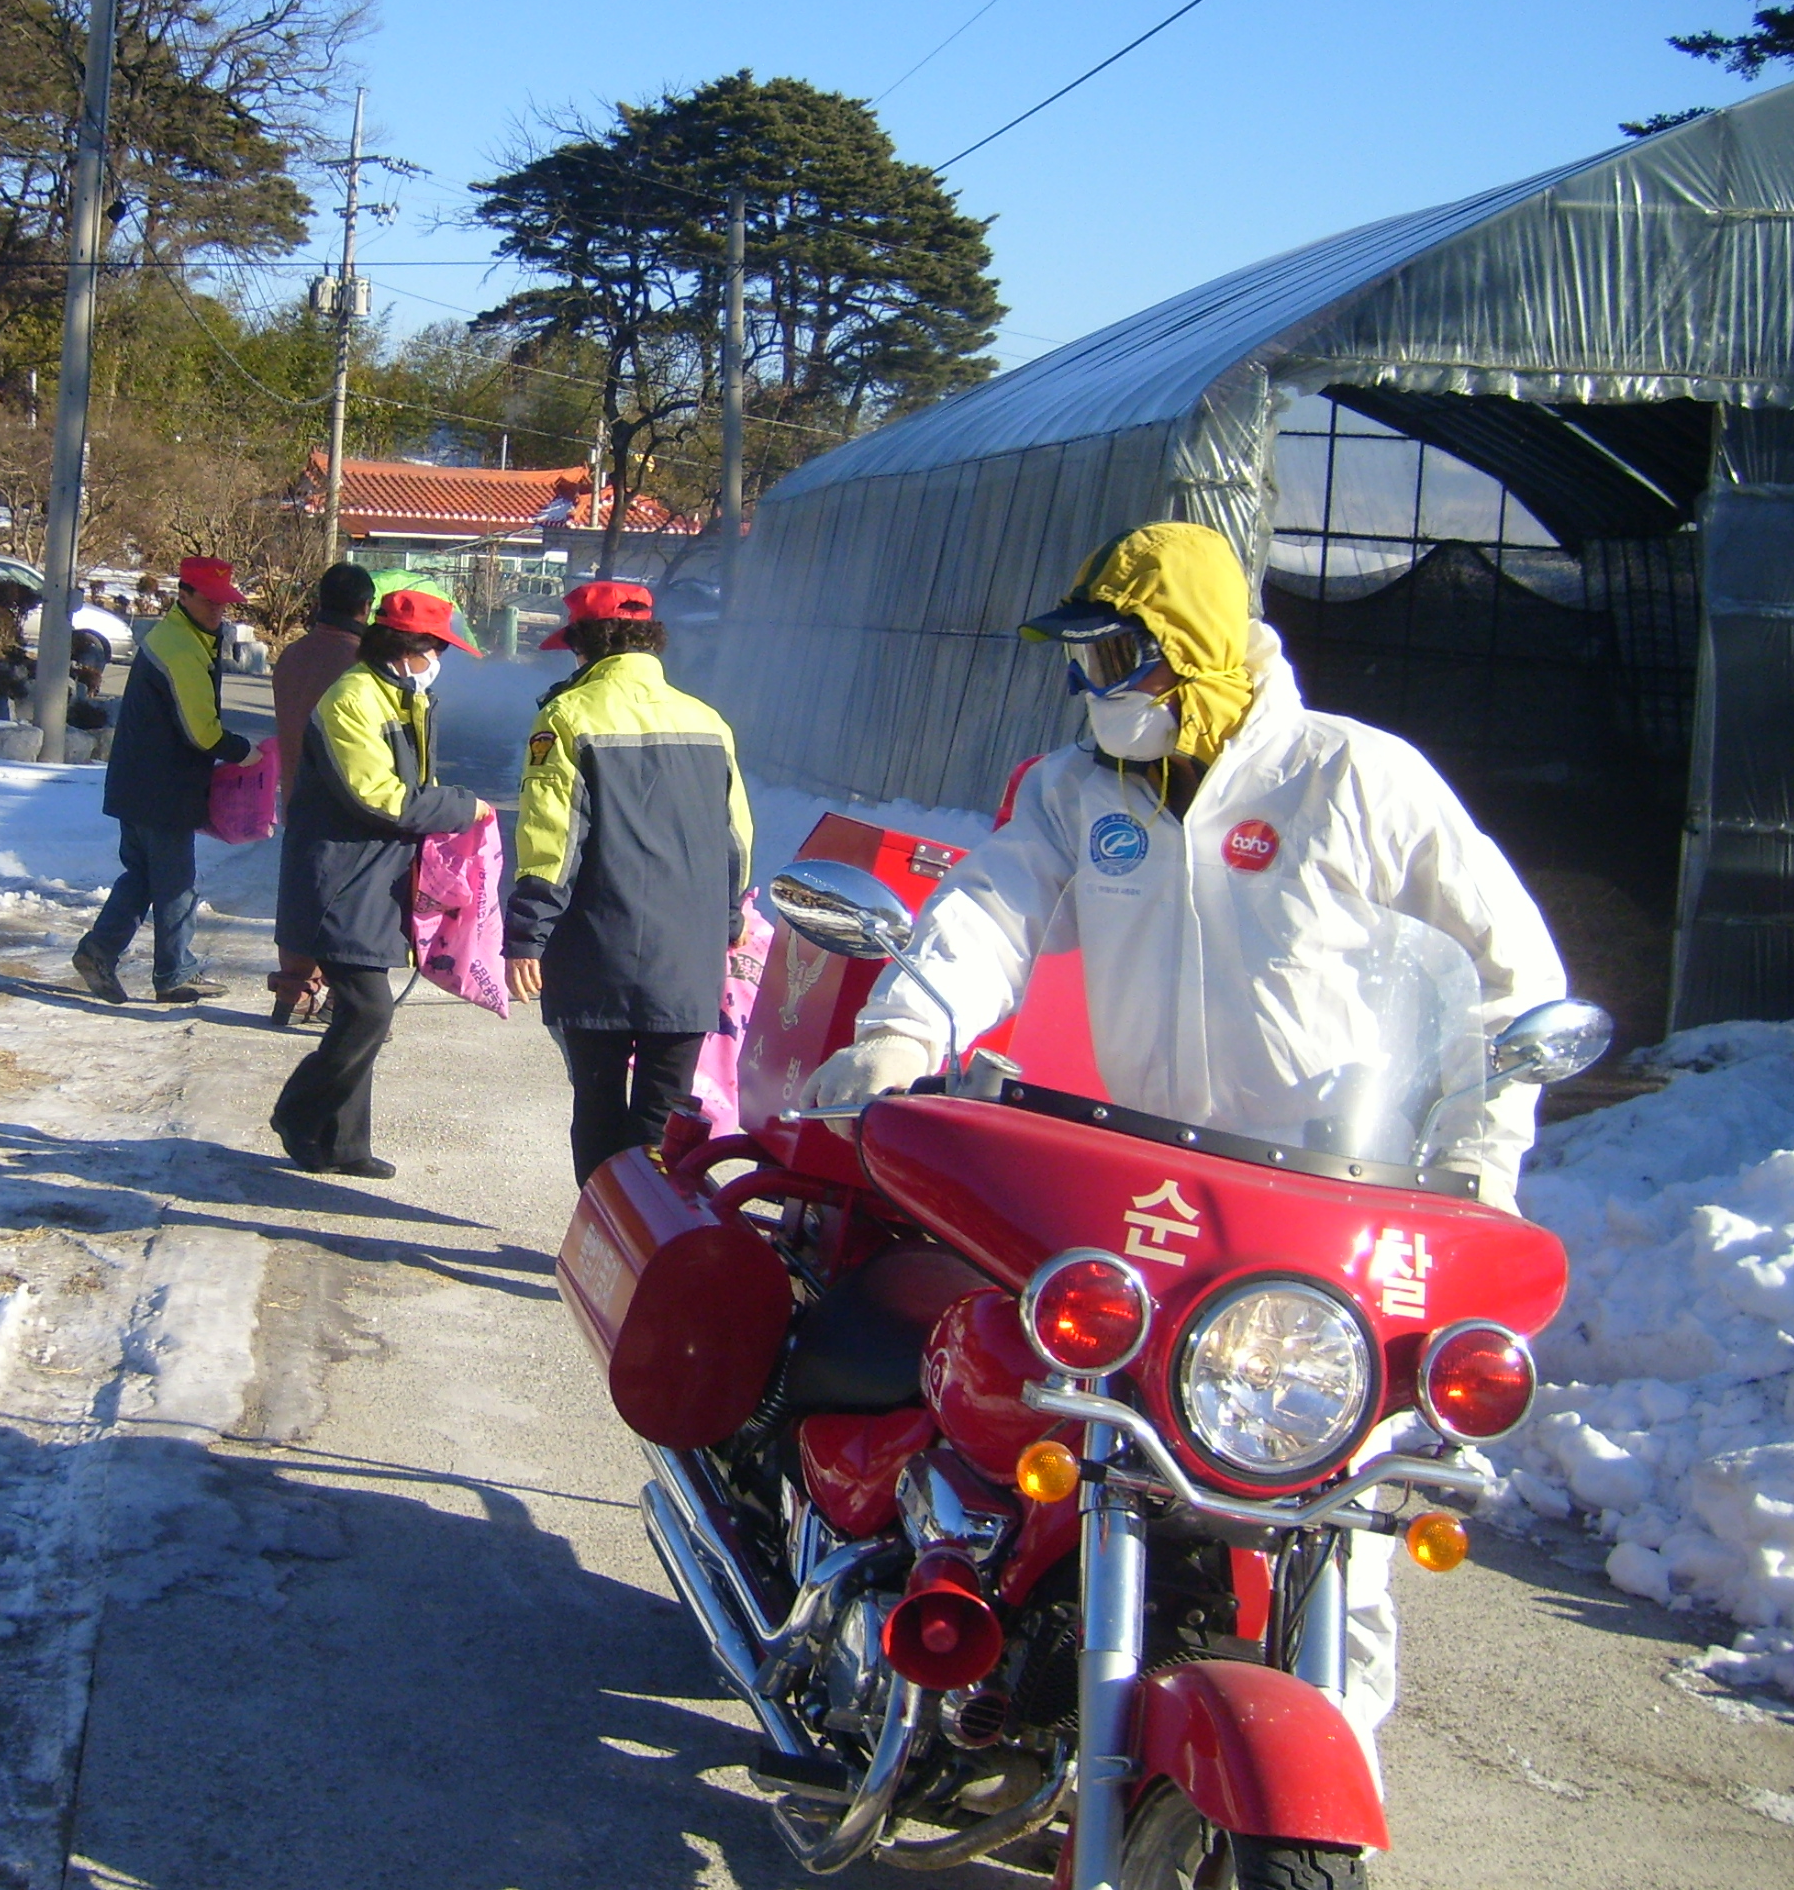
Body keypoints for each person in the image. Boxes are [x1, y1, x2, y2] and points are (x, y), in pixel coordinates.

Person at [803, 518, 1566, 1760]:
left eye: (1116, 659)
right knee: (1098, 1460)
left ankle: (1322, 1766)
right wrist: (901, 1031)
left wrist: (1479, 1151)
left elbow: (1506, 976)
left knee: (1337, 1522)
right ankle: (1033, 1693)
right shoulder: (1076, 792)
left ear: (1193, 650)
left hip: (1327, 1210)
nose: (1089, 688)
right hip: (1145, 1195)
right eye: (1080, 662)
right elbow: (988, 912)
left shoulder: (1351, 778)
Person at [505, 581, 753, 1186]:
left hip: (598, 948)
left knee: (598, 1103)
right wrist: (729, 920)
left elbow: (552, 838)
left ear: (582, 645)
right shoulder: (709, 722)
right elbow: (736, 838)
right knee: (664, 1116)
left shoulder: (566, 716)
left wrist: (527, 934)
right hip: (689, 954)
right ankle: (654, 1230)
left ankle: (603, 1220)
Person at [271, 587, 488, 1178]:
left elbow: (413, 786)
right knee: (369, 1011)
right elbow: (380, 796)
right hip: (339, 877)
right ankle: (298, 1113)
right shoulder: (353, 698)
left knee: (358, 1012)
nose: (438, 660)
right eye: (435, 648)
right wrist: (460, 808)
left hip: (374, 876)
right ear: (404, 647)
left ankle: (343, 1144)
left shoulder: (403, 695)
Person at [74, 556, 254, 1005]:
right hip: (163, 787)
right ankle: (174, 973)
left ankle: (99, 951)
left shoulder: (179, 636)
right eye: (209, 600)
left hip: (139, 781)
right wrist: (243, 751)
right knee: (175, 884)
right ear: (183, 595)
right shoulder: (181, 648)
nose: (217, 609)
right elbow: (202, 732)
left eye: (222, 602)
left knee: (142, 875)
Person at [264, 562, 377, 1025]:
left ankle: (291, 992)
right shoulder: (362, 664)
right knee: (347, 905)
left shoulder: (292, 656)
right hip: (347, 803)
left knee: (299, 896)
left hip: (296, 797)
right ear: (365, 608)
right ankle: (340, 996)